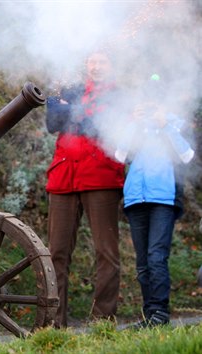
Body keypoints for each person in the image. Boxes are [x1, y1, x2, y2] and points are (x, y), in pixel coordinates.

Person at [45, 51, 125, 327]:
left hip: (100, 176)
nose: (96, 66)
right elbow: (51, 122)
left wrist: (70, 111)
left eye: (103, 61)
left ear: (111, 65)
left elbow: (99, 125)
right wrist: (61, 102)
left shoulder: (118, 96)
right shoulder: (71, 90)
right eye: (92, 61)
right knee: (57, 253)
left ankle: (103, 319)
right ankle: (55, 322)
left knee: (106, 252)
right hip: (64, 177)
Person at [115, 77, 195, 328]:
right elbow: (120, 154)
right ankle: (149, 315)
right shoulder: (137, 125)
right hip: (135, 198)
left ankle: (160, 313)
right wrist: (133, 124)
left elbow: (188, 156)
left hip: (163, 199)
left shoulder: (176, 123)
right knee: (142, 261)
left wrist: (166, 126)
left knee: (156, 256)